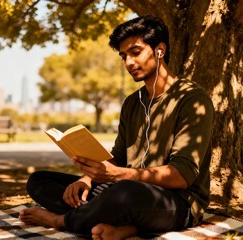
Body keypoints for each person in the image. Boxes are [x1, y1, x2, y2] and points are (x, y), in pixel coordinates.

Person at [19, 15, 214, 240]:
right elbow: (119, 156)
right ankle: (124, 226)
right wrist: (87, 179)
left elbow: (182, 176)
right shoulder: (132, 102)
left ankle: (63, 220)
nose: (128, 63)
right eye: (123, 56)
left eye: (135, 52)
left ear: (160, 50)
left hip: (176, 202)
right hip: (124, 190)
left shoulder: (192, 99)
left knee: (124, 193)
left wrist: (120, 176)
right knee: (39, 181)